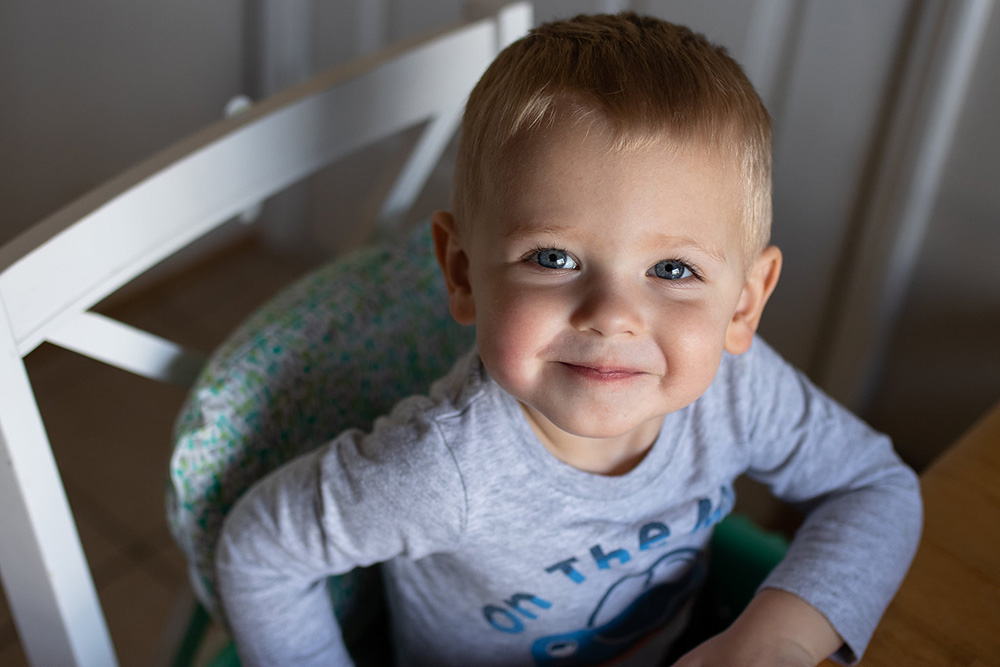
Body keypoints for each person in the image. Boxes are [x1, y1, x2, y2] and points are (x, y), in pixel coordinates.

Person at [215, 12, 922, 667]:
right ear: (461, 273)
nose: (613, 315)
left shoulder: (740, 391)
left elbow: (874, 484)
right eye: (553, 258)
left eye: (672, 269)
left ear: (744, 303)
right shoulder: (441, 471)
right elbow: (259, 552)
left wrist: (778, 640)